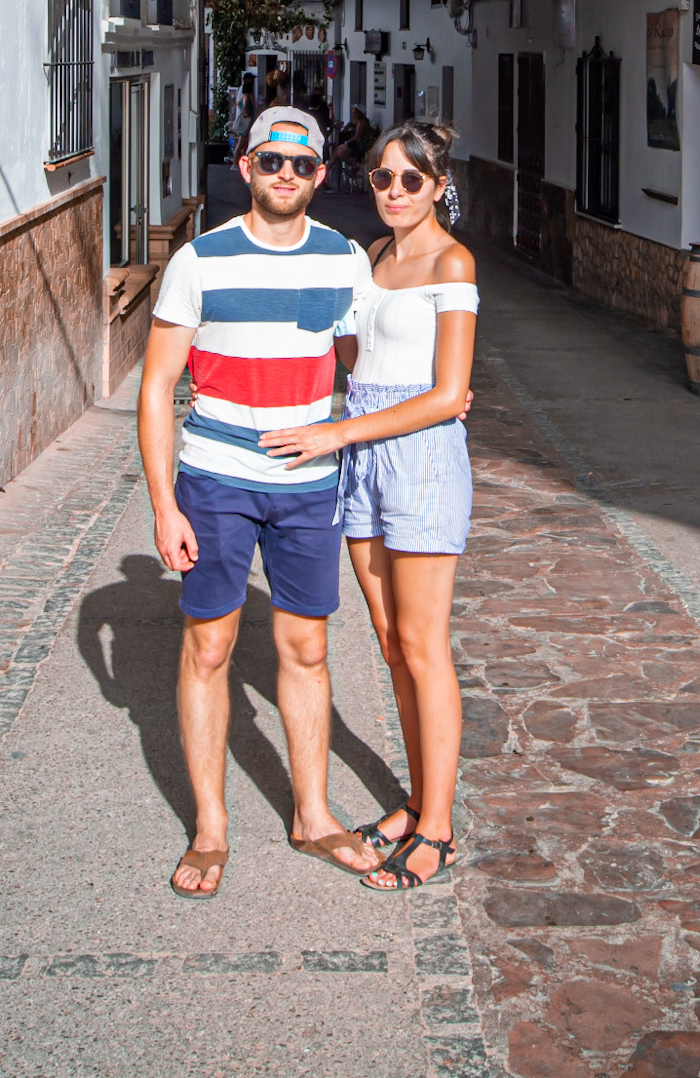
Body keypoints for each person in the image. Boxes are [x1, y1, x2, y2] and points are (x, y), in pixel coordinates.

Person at [138, 106, 379, 898]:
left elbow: (358, 366)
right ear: (244, 166)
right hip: (215, 481)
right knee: (208, 649)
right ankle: (210, 826)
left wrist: (425, 399)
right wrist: (164, 507)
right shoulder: (199, 261)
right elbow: (155, 387)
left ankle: (311, 814)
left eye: (301, 164)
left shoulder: (345, 259)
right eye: (271, 159)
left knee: (306, 649)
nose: (286, 173)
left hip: (309, 487)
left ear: (319, 173)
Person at [261, 120, 476, 892]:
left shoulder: (453, 263)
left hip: (416, 459)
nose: (392, 192)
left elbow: (449, 393)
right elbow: (360, 355)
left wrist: (337, 431)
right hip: (366, 455)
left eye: (409, 181)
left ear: (438, 186)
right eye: (382, 178)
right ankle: (417, 800)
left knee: (425, 647)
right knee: (388, 641)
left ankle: (438, 830)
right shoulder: (373, 258)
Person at [229, 76, 256, 166]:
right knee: (241, 144)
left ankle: (238, 163)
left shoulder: (241, 98)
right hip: (246, 124)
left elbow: (238, 104)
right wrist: (246, 112)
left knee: (242, 144)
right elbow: (246, 107)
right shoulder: (247, 97)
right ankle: (235, 163)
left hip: (244, 123)